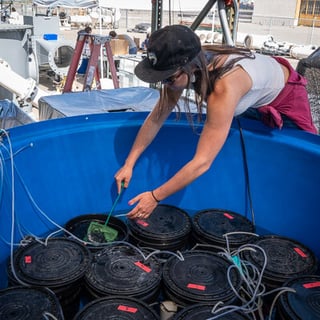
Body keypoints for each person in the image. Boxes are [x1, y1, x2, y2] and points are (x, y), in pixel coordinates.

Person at [114, 24, 317, 220]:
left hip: (286, 96)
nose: (166, 84)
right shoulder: (188, 67)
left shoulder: (223, 87)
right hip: (250, 93)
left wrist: (155, 196)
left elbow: (202, 162)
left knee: (307, 162)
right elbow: (157, 116)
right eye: (162, 78)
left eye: (168, 79)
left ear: (189, 66)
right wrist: (129, 163)